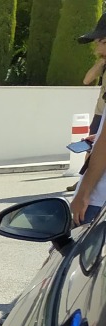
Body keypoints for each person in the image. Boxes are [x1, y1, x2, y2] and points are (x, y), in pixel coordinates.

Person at [72, 13, 106, 224]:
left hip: (98, 202)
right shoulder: (102, 64)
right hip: (101, 116)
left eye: (101, 41)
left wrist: (83, 193)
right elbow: (87, 80)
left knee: (75, 254)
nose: (95, 47)